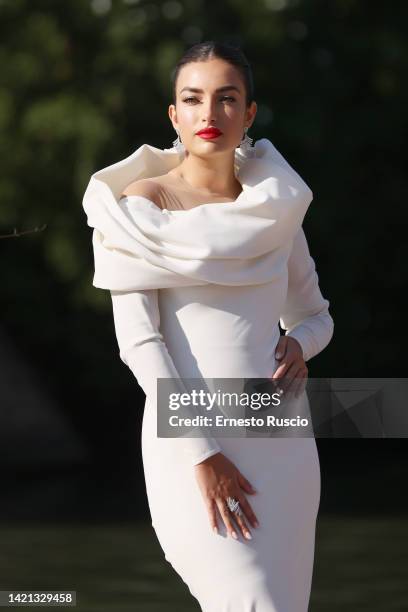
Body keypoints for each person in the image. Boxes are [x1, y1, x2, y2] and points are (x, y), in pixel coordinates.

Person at [82, 40, 334, 612]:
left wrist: (299, 343)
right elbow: (139, 344)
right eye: (193, 99)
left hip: (280, 440)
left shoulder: (275, 210)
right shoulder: (140, 206)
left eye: (227, 99)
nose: (209, 114)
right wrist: (204, 456)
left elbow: (315, 316)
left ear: (248, 114)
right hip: (189, 445)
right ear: (174, 115)